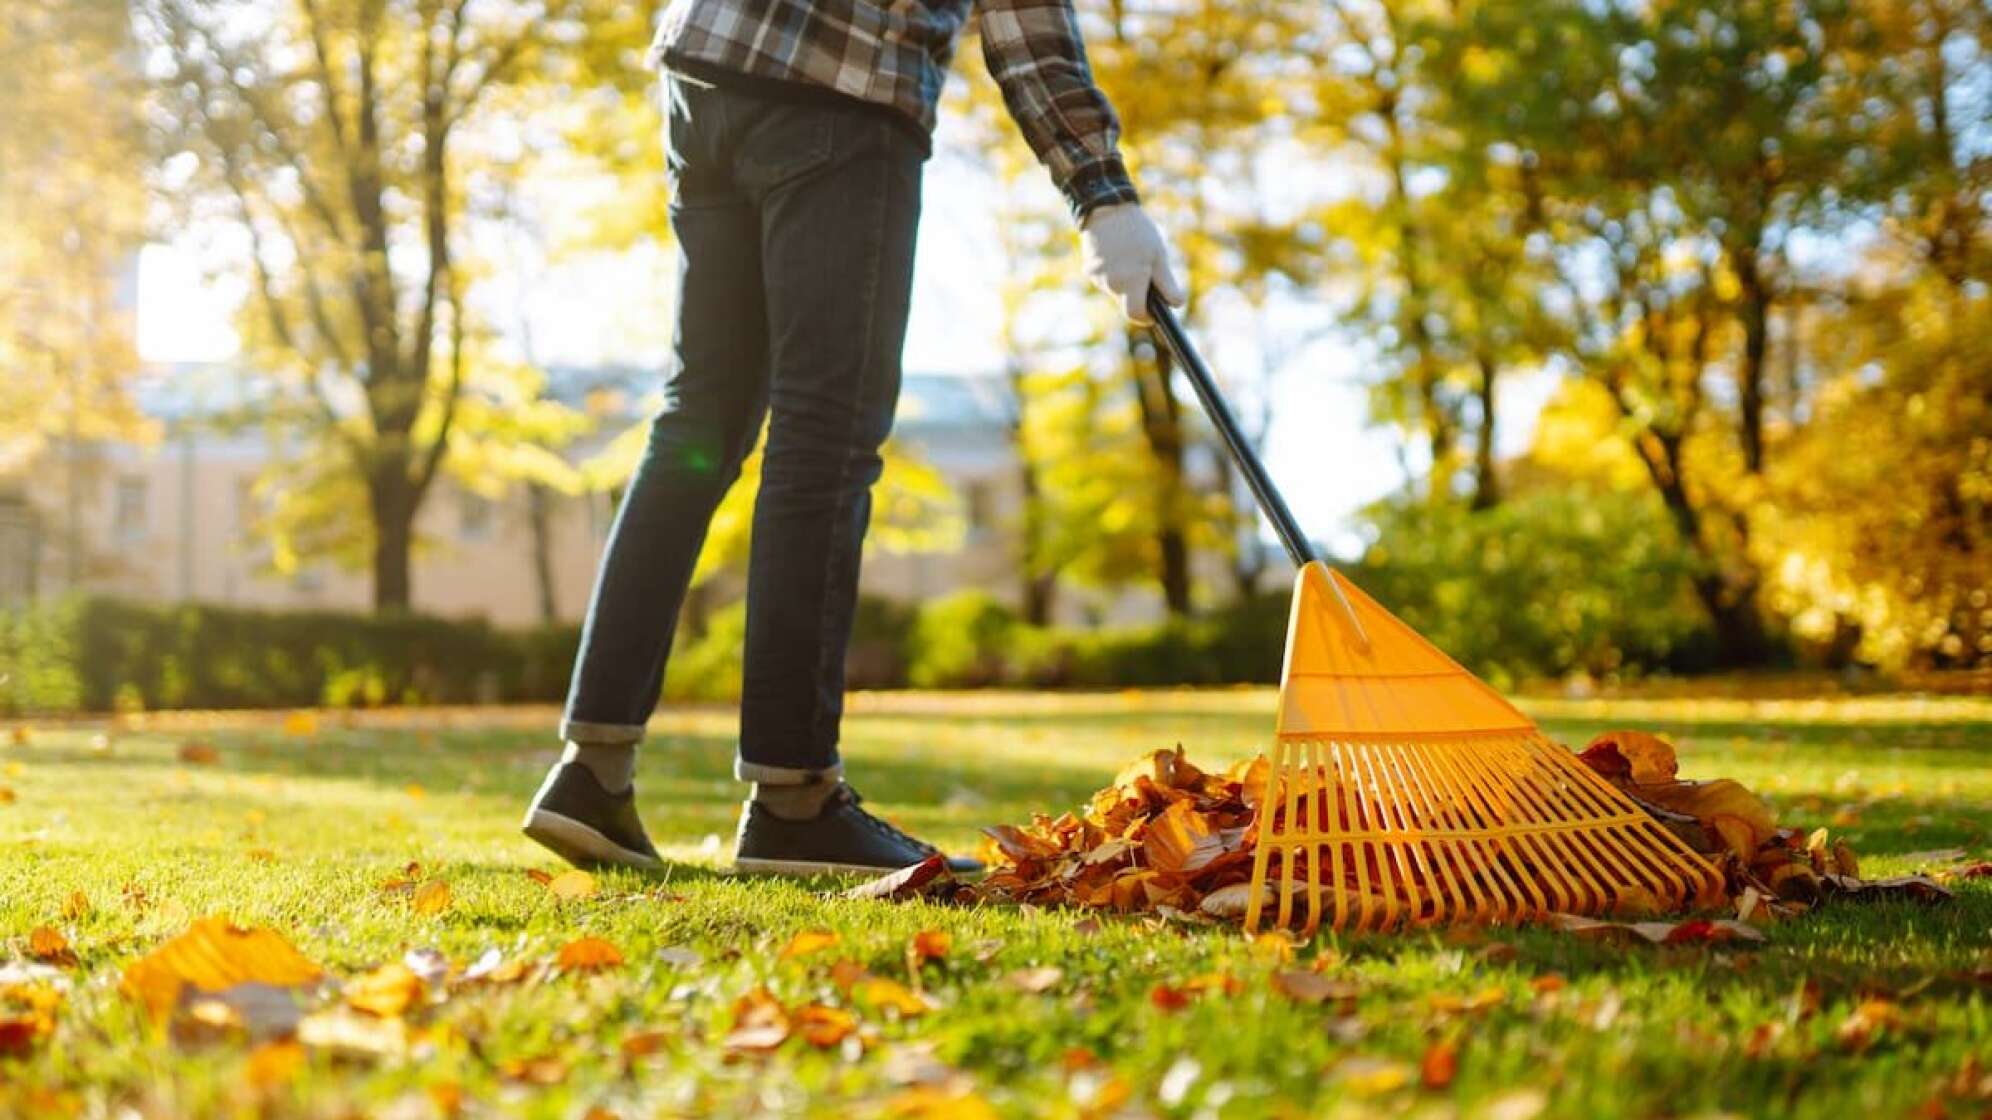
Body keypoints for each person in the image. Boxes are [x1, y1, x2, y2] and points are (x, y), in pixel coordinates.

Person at [522, 0, 1184, 875]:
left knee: (701, 418)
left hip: (708, 69)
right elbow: (1027, 26)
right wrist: (1102, 193)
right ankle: (795, 800)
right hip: (842, 87)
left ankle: (591, 774)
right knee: (822, 435)